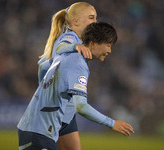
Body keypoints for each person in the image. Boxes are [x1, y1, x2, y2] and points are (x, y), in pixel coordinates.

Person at [17, 22, 134, 150]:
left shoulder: (68, 54)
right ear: (93, 43)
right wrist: (112, 123)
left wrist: (44, 90)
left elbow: (42, 65)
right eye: (108, 45)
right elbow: (81, 106)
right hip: (39, 133)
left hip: (35, 128)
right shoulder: (78, 65)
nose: (109, 50)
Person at [38, 2, 97, 150]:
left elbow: (42, 65)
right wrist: (74, 47)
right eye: (91, 17)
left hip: (65, 114)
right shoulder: (70, 38)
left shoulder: (79, 40)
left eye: (95, 18)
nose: (95, 22)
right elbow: (61, 47)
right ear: (75, 21)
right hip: (56, 114)